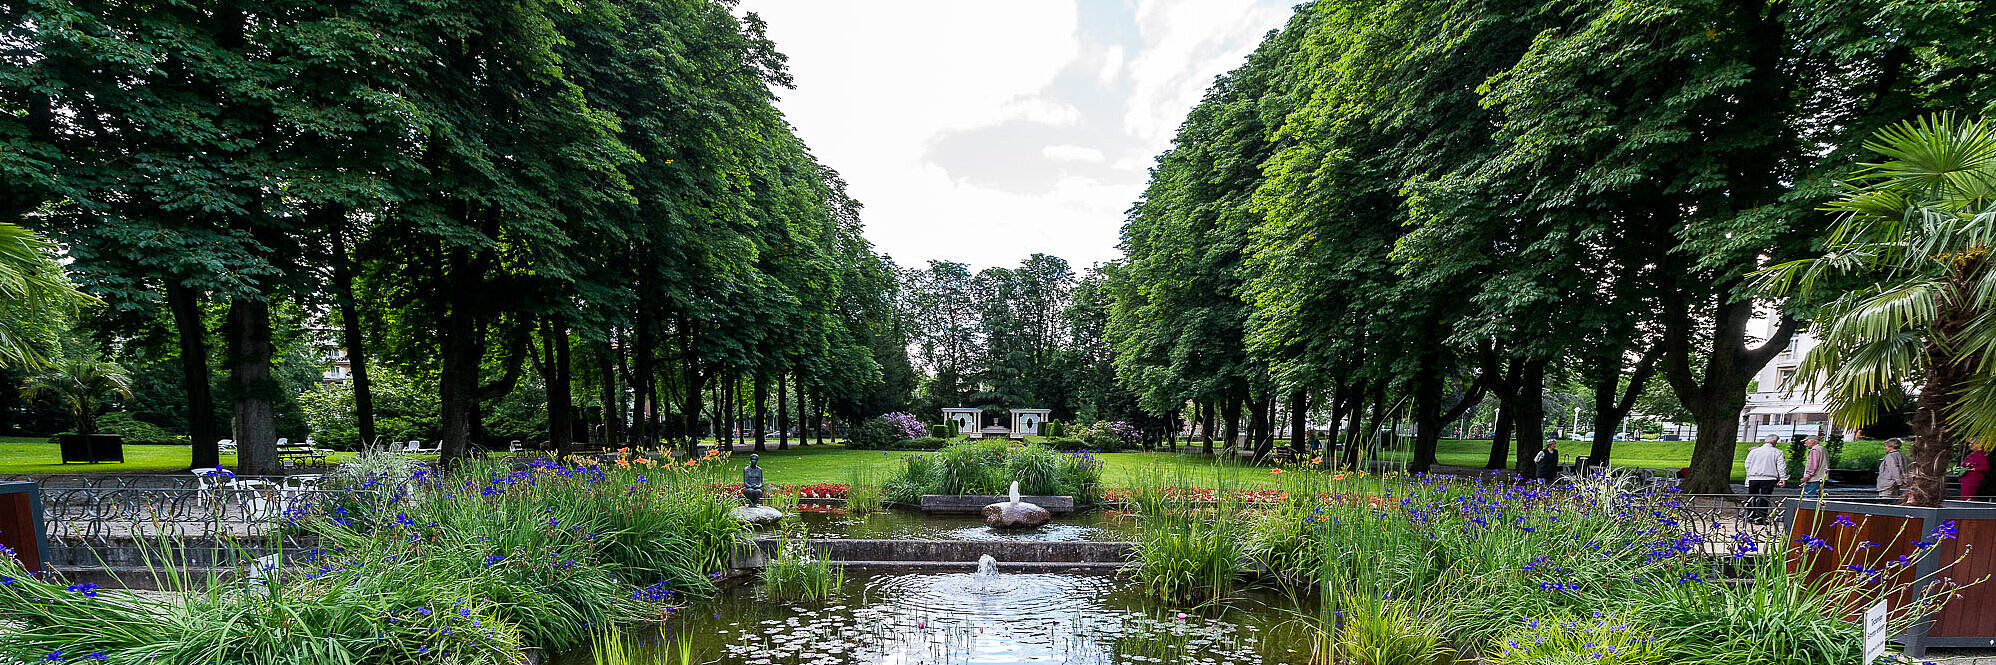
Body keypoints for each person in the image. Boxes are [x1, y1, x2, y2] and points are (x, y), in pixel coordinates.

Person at [1744, 435, 1788, 523]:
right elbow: (1781, 466)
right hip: (1769, 477)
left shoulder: (1754, 451)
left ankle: (1750, 515)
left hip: (1754, 477)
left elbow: (1747, 464)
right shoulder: (1777, 452)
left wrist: (1750, 474)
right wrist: (1782, 477)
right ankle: (1760, 517)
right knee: (1765, 498)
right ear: (1775, 442)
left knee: (1752, 496)